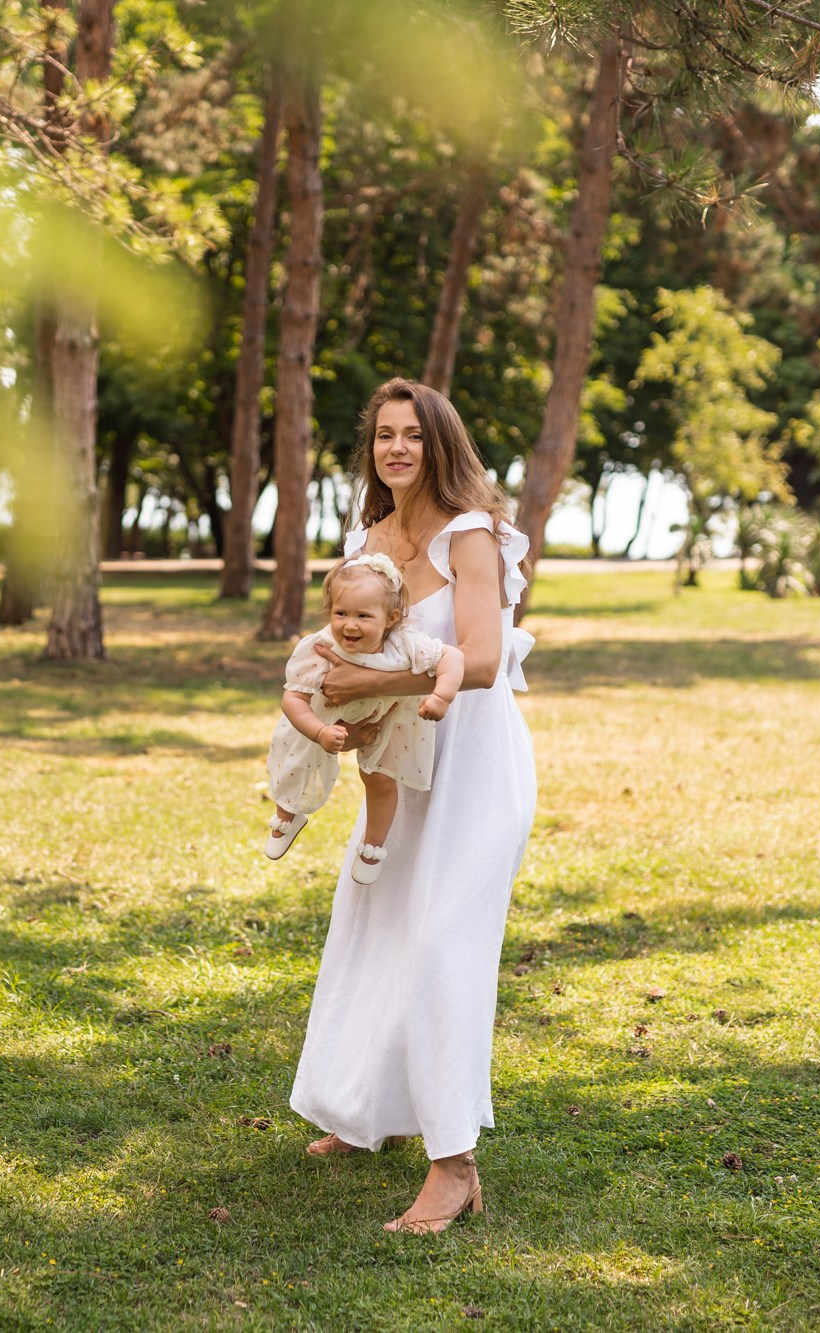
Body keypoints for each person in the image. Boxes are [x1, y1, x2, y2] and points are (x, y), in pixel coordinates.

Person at [287, 376, 537, 1235]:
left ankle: (454, 1163)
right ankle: (363, 1110)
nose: (398, 448)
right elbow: (368, 645)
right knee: (372, 925)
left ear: (441, 444)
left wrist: (376, 680)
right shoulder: (372, 539)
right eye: (385, 435)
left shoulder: (473, 535)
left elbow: (482, 655)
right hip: (403, 760)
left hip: (473, 761)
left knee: (439, 944)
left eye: (415, 435)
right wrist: (346, 712)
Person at [262, 553, 465, 885]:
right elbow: (293, 698)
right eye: (340, 613)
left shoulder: (405, 644)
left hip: (388, 719)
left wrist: (441, 695)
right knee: (298, 762)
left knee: (381, 779)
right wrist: (319, 731)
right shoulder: (319, 649)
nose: (349, 624)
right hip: (321, 718)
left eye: (363, 615)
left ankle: (373, 845)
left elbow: (453, 657)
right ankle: (287, 815)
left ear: (392, 618)